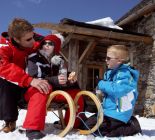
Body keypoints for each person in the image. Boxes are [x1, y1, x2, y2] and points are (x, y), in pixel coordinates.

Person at [0, 18, 51, 140]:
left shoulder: (32, 40)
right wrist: (29, 80)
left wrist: (49, 45)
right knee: (3, 81)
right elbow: (3, 66)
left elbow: (48, 41)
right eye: (29, 39)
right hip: (13, 83)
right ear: (16, 39)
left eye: (33, 36)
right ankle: (10, 120)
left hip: (27, 82)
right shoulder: (3, 45)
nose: (33, 41)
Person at [26, 33, 85, 129]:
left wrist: (69, 79)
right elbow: (35, 78)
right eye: (45, 43)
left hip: (52, 91)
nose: (47, 45)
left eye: (50, 44)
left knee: (77, 94)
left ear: (55, 47)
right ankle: (33, 128)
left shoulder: (55, 61)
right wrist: (56, 80)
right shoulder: (34, 57)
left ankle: (73, 123)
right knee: (43, 88)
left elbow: (59, 79)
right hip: (34, 90)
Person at [83, 45, 142, 137]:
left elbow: (117, 90)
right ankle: (124, 123)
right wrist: (101, 91)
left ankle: (132, 127)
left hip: (118, 113)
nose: (106, 60)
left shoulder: (126, 75)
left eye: (108, 58)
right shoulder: (111, 73)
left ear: (119, 60)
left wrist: (101, 83)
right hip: (108, 111)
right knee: (87, 125)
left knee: (98, 131)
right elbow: (110, 90)